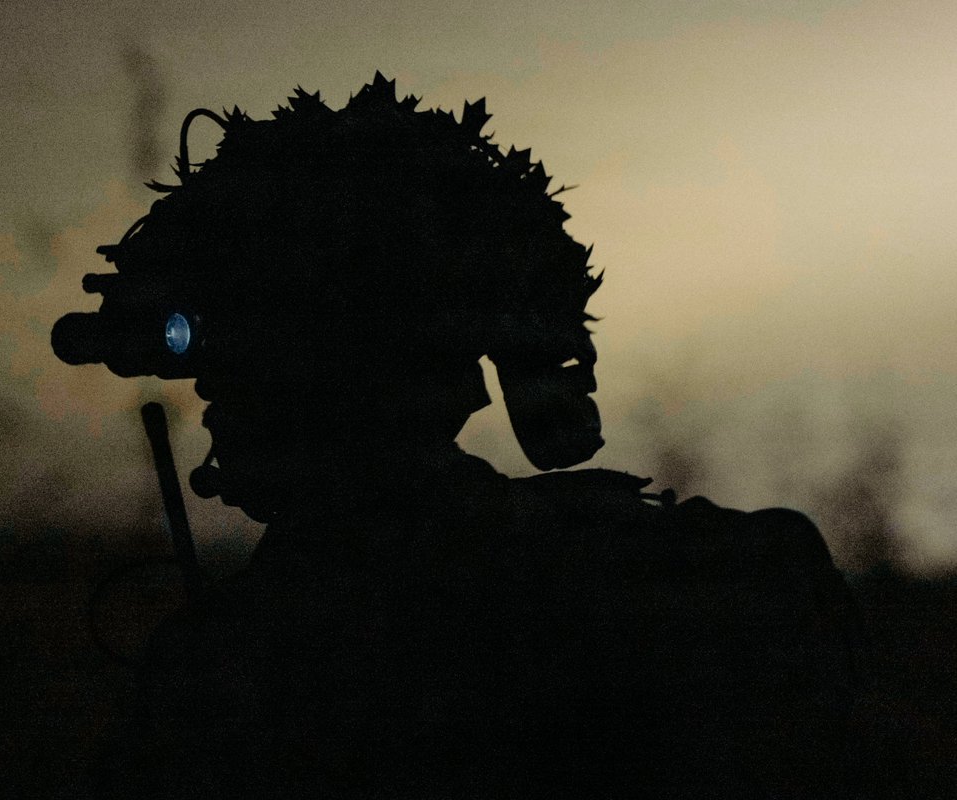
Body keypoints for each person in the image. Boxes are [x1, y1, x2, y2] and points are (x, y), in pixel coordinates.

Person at [53, 74, 861, 798]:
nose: (220, 408)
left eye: (269, 367)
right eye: (220, 372)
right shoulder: (228, 653)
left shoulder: (653, 587)